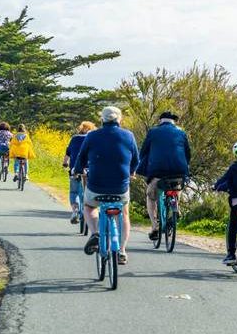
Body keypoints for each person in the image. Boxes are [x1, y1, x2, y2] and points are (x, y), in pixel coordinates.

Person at [77, 106, 139, 265]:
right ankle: (122, 251)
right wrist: (131, 172)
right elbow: (136, 161)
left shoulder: (92, 136)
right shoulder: (129, 136)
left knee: (89, 207)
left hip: (96, 186)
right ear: (120, 119)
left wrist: (77, 170)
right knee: (124, 213)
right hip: (120, 188)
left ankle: (96, 233)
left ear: (102, 119)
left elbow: (81, 157)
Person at [136, 111, 191, 241]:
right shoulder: (181, 132)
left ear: (161, 120)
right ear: (174, 121)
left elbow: (143, 151)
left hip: (157, 171)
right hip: (179, 170)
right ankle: (175, 208)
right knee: (177, 187)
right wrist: (184, 167)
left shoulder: (153, 132)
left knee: (151, 196)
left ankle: (155, 227)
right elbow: (188, 153)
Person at [62, 121, 97, 224]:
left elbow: (68, 153)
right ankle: (88, 208)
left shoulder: (74, 138)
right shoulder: (94, 139)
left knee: (74, 191)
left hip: (75, 169)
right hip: (90, 169)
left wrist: (65, 163)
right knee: (89, 191)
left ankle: (75, 210)